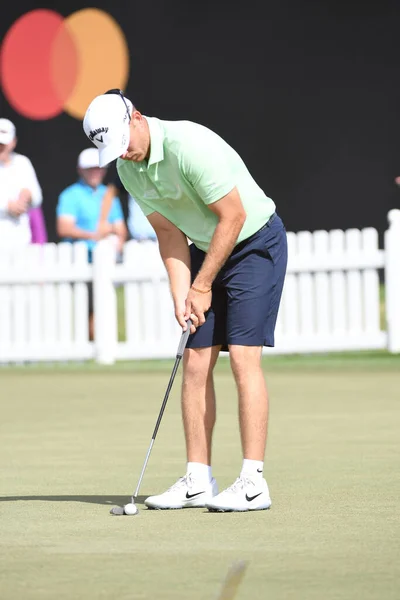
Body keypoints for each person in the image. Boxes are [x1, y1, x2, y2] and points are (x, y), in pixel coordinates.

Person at [83, 90, 288, 513]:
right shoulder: (129, 168)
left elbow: (233, 216)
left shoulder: (189, 145)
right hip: (204, 248)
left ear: (136, 117)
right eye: (114, 151)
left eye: (124, 143)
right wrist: (182, 294)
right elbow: (169, 234)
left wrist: (202, 284)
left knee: (243, 359)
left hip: (254, 243)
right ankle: (197, 479)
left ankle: (253, 482)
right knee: (195, 362)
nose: (125, 155)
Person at [56, 148, 127, 339]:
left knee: (105, 306)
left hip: (108, 260)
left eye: (98, 168)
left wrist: (114, 236)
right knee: (82, 308)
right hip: (80, 261)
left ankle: (102, 340)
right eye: (90, 169)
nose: (95, 172)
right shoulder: (70, 195)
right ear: (80, 170)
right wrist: (94, 235)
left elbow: (120, 229)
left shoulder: (108, 195)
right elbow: (64, 227)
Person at [0, 118, 43, 249]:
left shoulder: (23, 162)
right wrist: (7, 206)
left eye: (3, 143)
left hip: (21, 241)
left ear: (13, 142)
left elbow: (37, 198)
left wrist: (27, 196)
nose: (0, 147)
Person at [97, 171, 157, 241]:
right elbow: (111, 191)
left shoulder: (165, 170)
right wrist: (103, 221)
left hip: (159, 239)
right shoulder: (129, 169)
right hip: (135, 240)